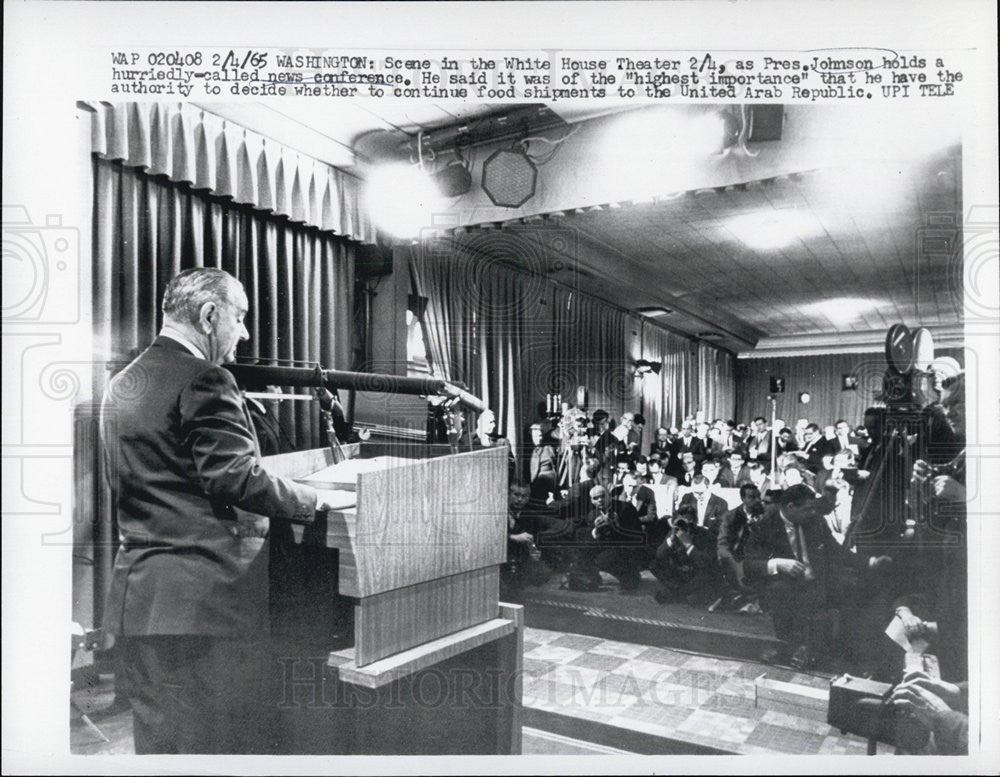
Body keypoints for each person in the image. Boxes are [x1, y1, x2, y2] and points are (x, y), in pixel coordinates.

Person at [100, 268, 345, 754]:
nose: (246, 332)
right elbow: (235, 477)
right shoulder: (206, 377)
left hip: (143, 602)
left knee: (162, 747)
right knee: (217, 747)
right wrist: (314, 499)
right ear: (210, 316)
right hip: (206, 608)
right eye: (241, 317)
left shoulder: (122, 383)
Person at [741, 484, 892, 668]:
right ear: (790, 507)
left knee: (855, 589)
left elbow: (836, 552)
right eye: (807, 509)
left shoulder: (816, 521)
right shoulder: (765, 526)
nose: (813, 512)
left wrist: (870, 562)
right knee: (781, 592)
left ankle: (848, 652)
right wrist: (779, 564)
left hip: (819, 580)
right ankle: (797, 646)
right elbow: (749, 565)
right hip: (785, 583)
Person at [650, 508, 719, 606]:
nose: (684, 526)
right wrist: (672, 538)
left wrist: (688, 544)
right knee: (654, 564)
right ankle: (681, 593)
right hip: (681, 573)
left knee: (704, 577)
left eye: (689, 520)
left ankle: (677, 593)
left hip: (697, 573)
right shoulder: (675, 532)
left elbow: (705, 563)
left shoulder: (706, 535)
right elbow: (659, 555)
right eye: (681, 521)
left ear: (695, 521)